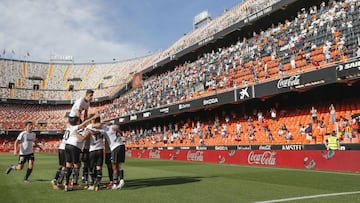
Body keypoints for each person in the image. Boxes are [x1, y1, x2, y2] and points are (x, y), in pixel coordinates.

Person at [62, 115, 95, 191]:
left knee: (68, 165)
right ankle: (74, 183)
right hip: (75, 146)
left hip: (67, 145)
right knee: (77, 165)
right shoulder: (85, 130)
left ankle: (66, 184)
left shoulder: (73, 127)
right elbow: (83, 138)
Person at [103, 124, 126, 190]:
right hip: (122, 145)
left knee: (114, 166)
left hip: (115, 147)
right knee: (119, 165)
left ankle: (115, 184)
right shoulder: (114, 127)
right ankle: (121, 180)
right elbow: (121, 133)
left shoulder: (107, 129)